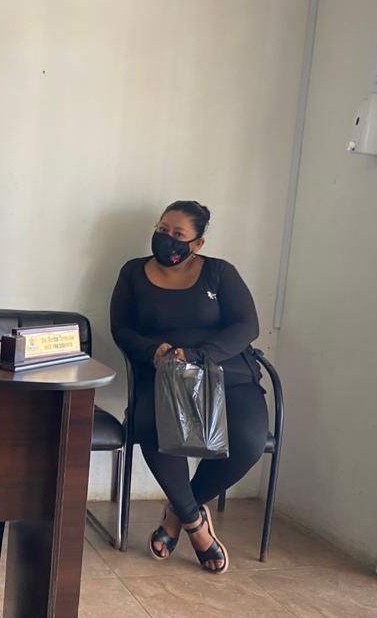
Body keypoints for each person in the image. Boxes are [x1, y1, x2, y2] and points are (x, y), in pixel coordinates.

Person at [109, 201, 267, 574]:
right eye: (162, 229)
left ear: (197, 243)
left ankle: (178, 514)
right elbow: (121, 329)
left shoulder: (219, 273)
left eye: (178, 234)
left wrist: (199, 355)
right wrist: (153, 350)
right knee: (151, 425)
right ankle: (196, 525)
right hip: (162, 375)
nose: (167, 239)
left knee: (249, 441)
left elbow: (248, 326)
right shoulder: (132, 273)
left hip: (224, 373)